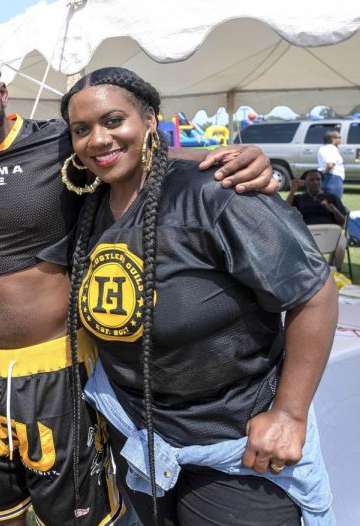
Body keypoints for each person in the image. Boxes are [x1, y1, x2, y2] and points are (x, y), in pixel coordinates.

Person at [0, 36, 277, 526]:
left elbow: (128, 154)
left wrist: (232, 160)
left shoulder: (59, 140)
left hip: (56, 362)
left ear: (3, 92)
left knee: (78, 513)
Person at [62, 67, 336, 525]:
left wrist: (290, 413)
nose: (98, 139)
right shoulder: (89, 208)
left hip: (235, 449)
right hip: (144, 445)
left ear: (150, 120)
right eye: (81, 130)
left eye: (114, 121)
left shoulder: (215, 191)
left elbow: (313, 291)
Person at [317, 128, 345, 198]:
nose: (340, 139)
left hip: (330, 178)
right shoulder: (330, 148)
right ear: (333, 139)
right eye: (339, 137)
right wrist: (323, 173)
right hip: (332, 179)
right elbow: (330, 165)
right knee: (334, 203)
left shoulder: (326, 148)